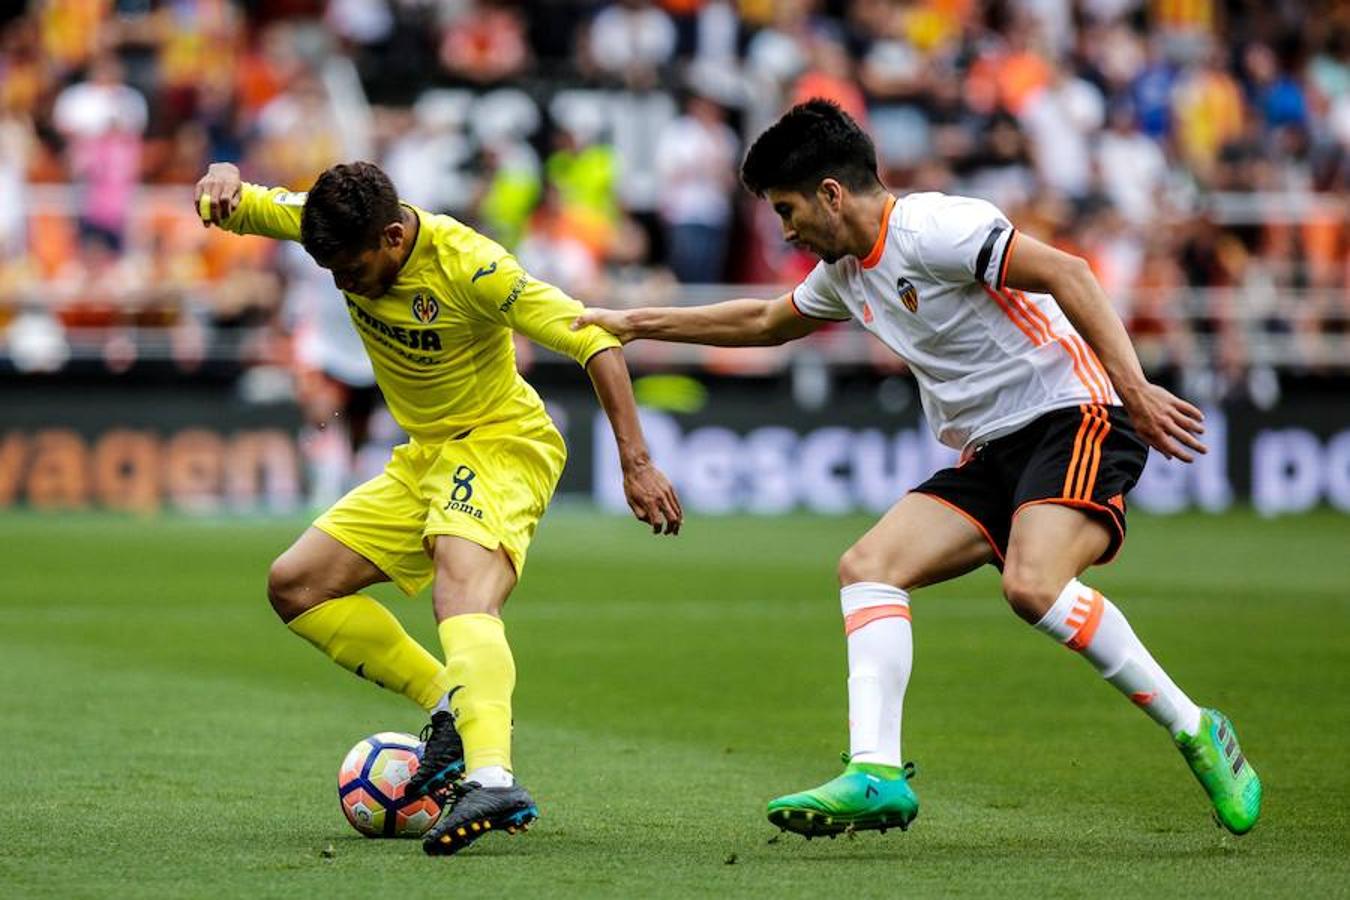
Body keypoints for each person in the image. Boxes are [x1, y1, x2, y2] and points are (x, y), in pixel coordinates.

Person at [573, 100, 1260, 838]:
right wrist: (638, 323)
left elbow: (1071, 272)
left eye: (788, 209)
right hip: (992, 449)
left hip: (1075, 412)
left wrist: (1135, 389)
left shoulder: (936, 227)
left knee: (1032, 586)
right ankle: (876, 773)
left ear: (832, 194)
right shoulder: (845, 274)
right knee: (868, 566)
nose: (785, 231)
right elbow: (767, 323)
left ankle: (1196, 728)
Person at [195, 160, 682, 856]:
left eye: (353, 268)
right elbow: (238, 199)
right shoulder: (327, 226)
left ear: (394, 236)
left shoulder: (472, 265)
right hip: (424, 455)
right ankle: (450, 704)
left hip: (499, 445)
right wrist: (220, 178)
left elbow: (593, 339)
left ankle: (491, 777)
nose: (342, 283)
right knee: (296, 585)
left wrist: (636, 462)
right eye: (328, 269)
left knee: (460, 593)